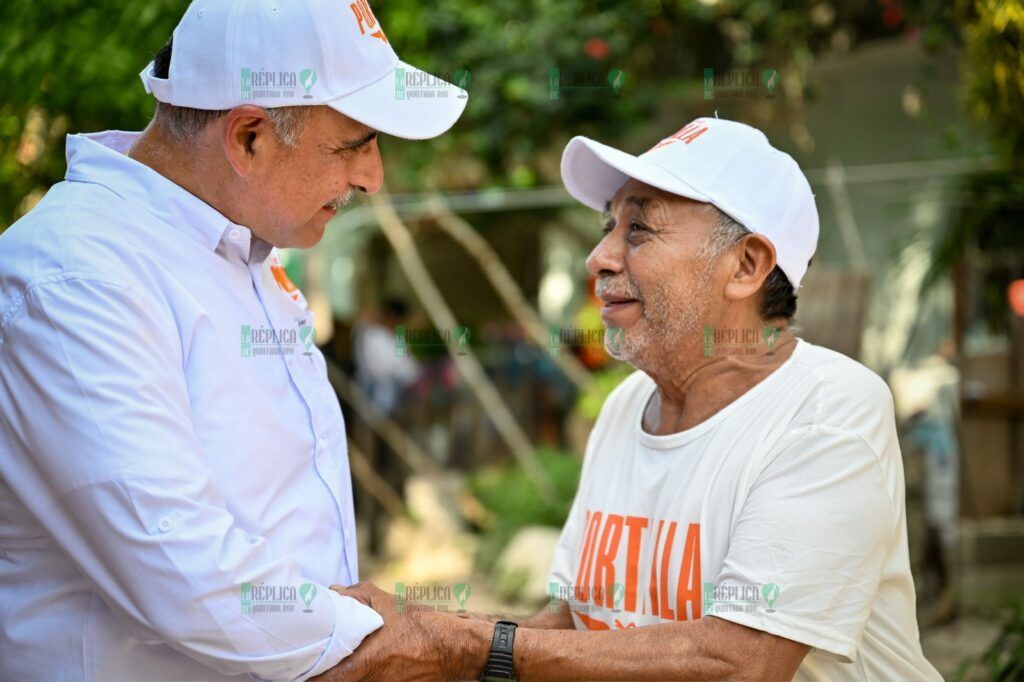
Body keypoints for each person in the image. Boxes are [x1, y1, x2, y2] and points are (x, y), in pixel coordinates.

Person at [327, 117, 942, 681]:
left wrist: (459, 644)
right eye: (608, 227)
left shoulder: (827, 410)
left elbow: (739, 663)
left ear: (747, 264)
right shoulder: (627, 407)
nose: (600, 256)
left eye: (640, 229)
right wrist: (410, 632)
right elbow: (575, 627)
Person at [0, 1, 467, 679]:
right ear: (248, 136)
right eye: (355, 143)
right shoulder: (77, 274)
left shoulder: (238, 254)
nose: (373, 176)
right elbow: (184, 570)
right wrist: (396, 640)